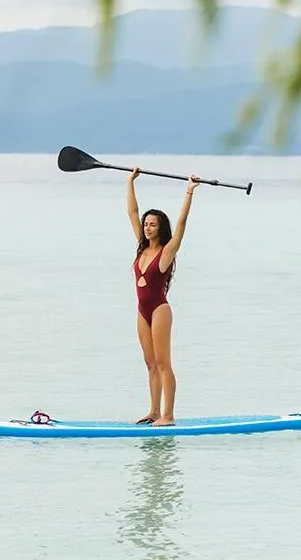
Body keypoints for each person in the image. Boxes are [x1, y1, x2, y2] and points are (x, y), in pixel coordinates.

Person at [126, 166, 198, 426]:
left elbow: (181, 225)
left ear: (160, 228)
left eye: (152, 225)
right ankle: (154, 411)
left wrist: (189, 192)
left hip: (159, 309)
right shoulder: (140, 248)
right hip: (141, 311)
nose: (146, 227)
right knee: (149, 363)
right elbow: (132, 212)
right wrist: (130, 182)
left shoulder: (166, 252)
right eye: (146, 224)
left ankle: (168, 415)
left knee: (163, 362)